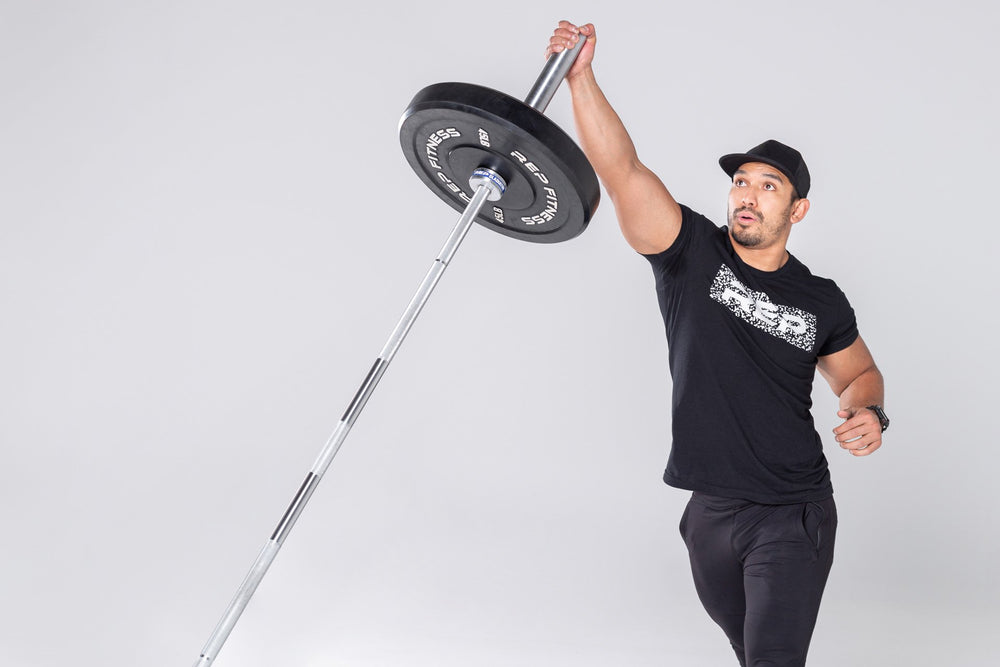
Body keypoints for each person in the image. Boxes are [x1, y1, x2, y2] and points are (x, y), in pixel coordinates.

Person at [546, 21, 888, 667]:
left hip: (793, 512)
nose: (748, 195)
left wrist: (869, 410)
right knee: (747, 652)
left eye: (768, 186)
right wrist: (580, 78)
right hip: (709, 512)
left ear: (798, 209)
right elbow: (621, 170)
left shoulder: (822, 298)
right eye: (741, 182)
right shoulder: (690, 253)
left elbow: (858, 372)